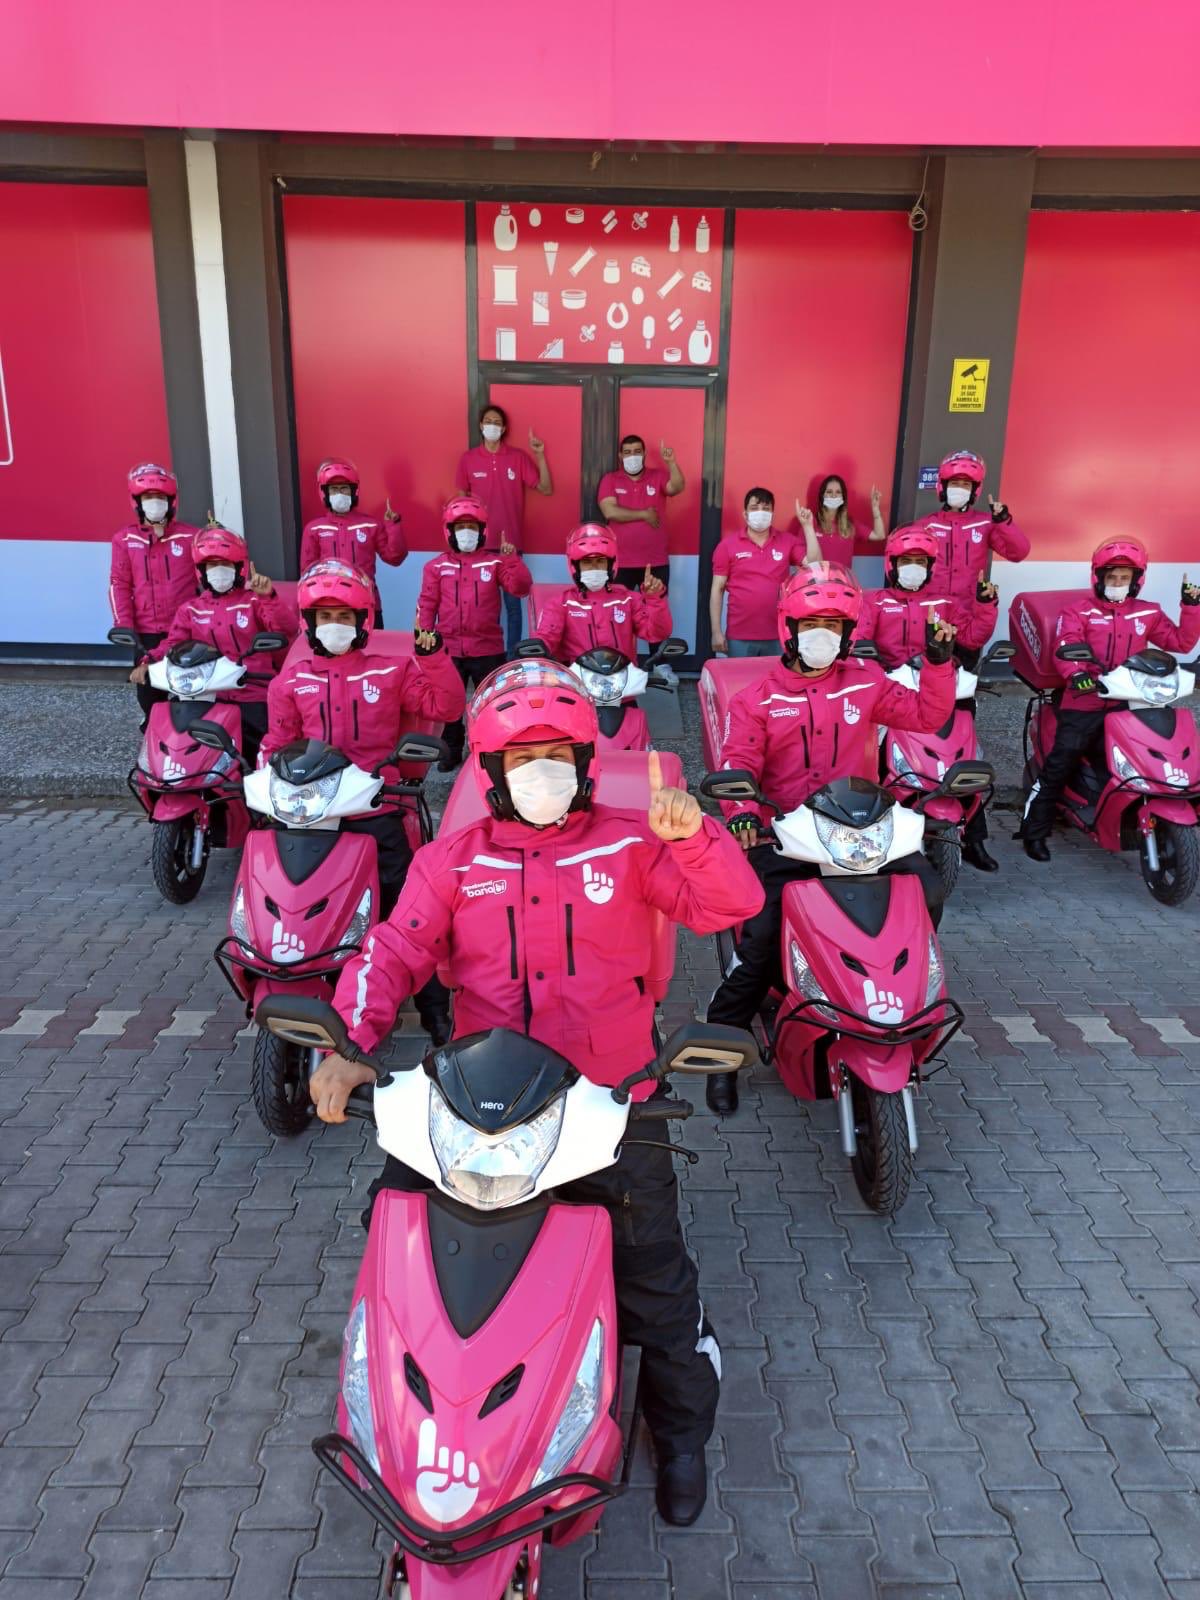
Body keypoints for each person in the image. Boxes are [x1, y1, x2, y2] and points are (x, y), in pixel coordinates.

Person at [307, 659, 765, 1525]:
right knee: (397, 1244)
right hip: (480, 1105)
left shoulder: (631, 842)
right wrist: (350, 1044)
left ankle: (679, 1436)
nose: (542, 774)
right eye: (523, 759)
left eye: (558, 755)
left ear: (586, 763)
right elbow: (392, 952)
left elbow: (730, 905)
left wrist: (694, 837)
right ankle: (408, 1419)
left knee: (654, 1281)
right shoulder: (454, 859)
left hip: (611, 1101)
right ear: (492, 771)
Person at [704, 563, 958, 1116]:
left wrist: (939, 664)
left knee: (926, 891)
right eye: (811, 623)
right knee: (761, 940)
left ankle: (892, 990)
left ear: (848, 632)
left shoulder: (867, 681)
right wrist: (743, 813)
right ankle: (722, 1048)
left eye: (834, 625)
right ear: (789, 628)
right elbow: (737, 762)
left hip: (861, 834)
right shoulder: (758, 699)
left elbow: (926, 713)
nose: (822, 635)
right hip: (788, 836)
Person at [261, 559, 464, 1043]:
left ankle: (434, 1008)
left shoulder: (392, 670)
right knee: (278, 889)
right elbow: (277, 745)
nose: (335, 626)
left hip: (377, 806)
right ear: (310, 623)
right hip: (310, 813)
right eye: (325, 617)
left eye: (344, 616)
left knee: (409, 906)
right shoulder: (290, 681)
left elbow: (447, 706)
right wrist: (260, 782)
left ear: (362, 621)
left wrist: (432, 657)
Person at [1019, 539, 1200, 862]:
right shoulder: (1078, 612)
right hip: (1084, 702)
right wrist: (1078, 674)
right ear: (1099, 578)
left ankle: (1124, 819)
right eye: (1112, 577)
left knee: (1138, 764)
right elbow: (1066, 645)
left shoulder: (1148, 612)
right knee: (1060, 765)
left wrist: (1191, 608)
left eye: (1124, 578)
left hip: (1128, 704)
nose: (1118, 583)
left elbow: (1180, 643)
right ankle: (1033, 832)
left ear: (1136, 580)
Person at [856, 525, 1001, 871]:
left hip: (940, 689)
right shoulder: (874, 601)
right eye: (907, 560)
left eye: (921, 562)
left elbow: (972, 636)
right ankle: (868, 823)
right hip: (894, 689)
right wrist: (873, 664)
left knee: (963, 755)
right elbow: (859, 640)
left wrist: (985, 606)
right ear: (892, 564)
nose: (913, 568)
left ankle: (975, 838)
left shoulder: (945, 603)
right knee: (871, 755)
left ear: (931, 567)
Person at [128, 525, 293, 764]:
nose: (218, 571)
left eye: (225, 564)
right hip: (205, 694)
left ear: (239, 567)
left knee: (261, 757)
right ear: (202, 571)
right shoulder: (191, 609)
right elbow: (173, 644)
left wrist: (269, 597)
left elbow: (286, 630)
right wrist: (148, 661)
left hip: (251, 691)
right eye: (211, 565)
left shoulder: (254, 602)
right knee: (184, 747)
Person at [418, 495, 531, 771]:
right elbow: (427, 603)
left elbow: (520, 588)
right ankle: (451, 751)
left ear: (482, 531)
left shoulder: (495, 563)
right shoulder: (435, 566)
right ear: (449, 531)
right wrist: (424, 638)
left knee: (490, 704)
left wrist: (512, 560)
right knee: (450, 706)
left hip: (487, 649)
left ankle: (489, 748)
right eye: (460, 527)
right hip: (449, 649)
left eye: (472, 526)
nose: (466, 532)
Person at [900, 451, 1030, 664]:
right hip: (932, 615)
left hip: (969, 617)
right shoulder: (925, 525)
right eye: (954, 483)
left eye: (965, 485)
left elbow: (1018, 553)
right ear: (943, 486)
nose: (959, 489)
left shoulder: (986, 523)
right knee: (926, 672)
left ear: (974, 490)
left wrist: (1004, 522)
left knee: (964, 675)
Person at [109, 463, 202, 727]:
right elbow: (119, 584)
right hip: (146, 634)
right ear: (137, 502)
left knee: (191, 693)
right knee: (150, 697)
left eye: (160, 497)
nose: (155, 502)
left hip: (185, 631)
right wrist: (124, 625)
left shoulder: (191, 537)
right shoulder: (124, 539)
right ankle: (154, 739)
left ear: (171, 501)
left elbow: (207, 584)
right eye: (148, 497)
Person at [456, 403, 552, 655]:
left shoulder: (517, 458)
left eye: (497, 422)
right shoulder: (468, 459)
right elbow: (460, 504)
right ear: (480, 425)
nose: (492, 426)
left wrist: (540, 455)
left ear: (504, 428)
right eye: (488, 421)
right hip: (478, 546)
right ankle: (487, 656)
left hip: (510, 546)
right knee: (483, 608)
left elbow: (546, 488)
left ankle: (511, 659)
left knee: (513, 607)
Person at [533, 524, 671, 664]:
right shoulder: (561, 603)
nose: (594, 567)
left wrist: (654, 599)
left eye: (600, 561)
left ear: (610, 565)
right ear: (576, 566)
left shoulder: (628, 599)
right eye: (587, 562)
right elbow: (546, 638)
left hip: (624, 674)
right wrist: (537, 647)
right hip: (577, 675)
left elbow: (657, 633)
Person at [299, 457, 407, 626]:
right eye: (334, 490)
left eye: (344, 488)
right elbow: (307, 573)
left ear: (354, 491)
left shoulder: (370, 525)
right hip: (330, 608)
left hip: (367, 604)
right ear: (325, 493)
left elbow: (395, 558)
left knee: (373, 643)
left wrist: (392, 526)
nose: (340, 494)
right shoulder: (314, 529)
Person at [710, 488, 804, 657]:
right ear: (745, 514)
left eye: (766, 508)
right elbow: (717, 589)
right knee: (739, 676)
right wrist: (716, 632)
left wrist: (808, 526)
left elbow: (813, 564)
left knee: (775, 675)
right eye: (754, 508)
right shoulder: (727, 546)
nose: (760, 513)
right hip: (739, 635)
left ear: (772, 514)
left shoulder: (787, 541)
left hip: (778, 634)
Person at [598, 435, 685, 591]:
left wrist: (671, 463)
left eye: (637, 451)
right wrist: (644, 514)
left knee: (656, 605)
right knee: (619, 606)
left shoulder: (658, 476)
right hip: (621, 562)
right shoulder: (610, 479)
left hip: (655, 561)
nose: (632, 456)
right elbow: (609, 512)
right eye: (627, 452)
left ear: (644, 454)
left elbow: (677, 488)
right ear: (620, 456)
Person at [797, 475, 886, 566]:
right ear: (822, 496)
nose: (833, 495)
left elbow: (879, 535)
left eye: (838, 492)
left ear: (843, 497)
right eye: (829, 492)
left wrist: (875, 509)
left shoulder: (850, 524)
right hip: (817, 575)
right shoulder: (809, 523)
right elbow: (802, 562)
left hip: (843, 575)